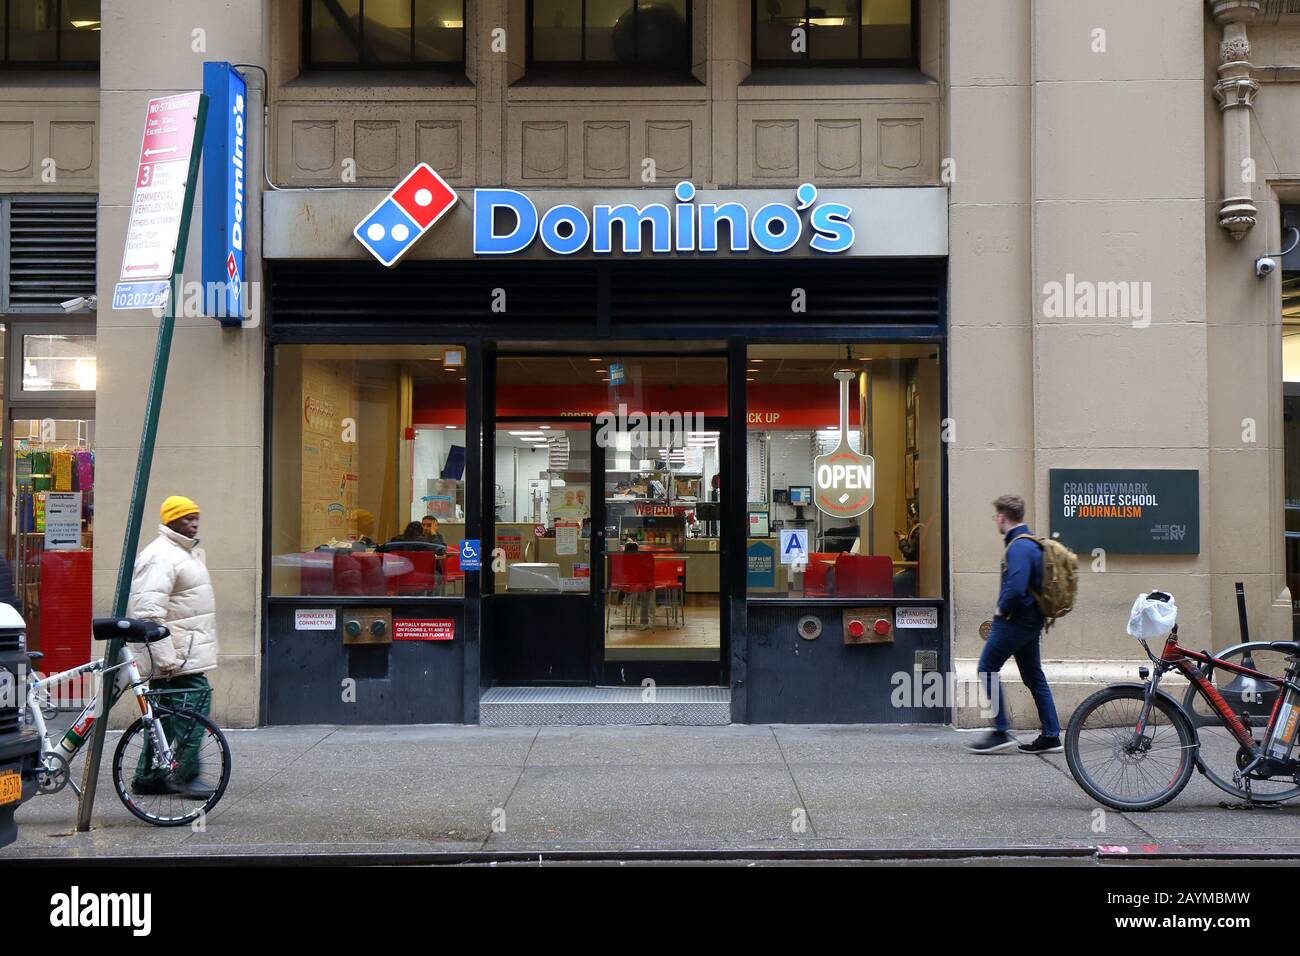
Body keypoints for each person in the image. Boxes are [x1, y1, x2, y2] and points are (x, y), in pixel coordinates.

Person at [127, 495, 218, 797]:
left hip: (181, 653)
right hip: (176, 657)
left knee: (163, 718)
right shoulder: (161, 556)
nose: (193, 524)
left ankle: (149, 777)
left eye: (195, 518)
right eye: (186, 519)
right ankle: (185, 774)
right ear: (171, 521)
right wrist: (164, 661)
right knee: (195, 707)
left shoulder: (180, 552)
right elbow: (148, 613)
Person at [966, 494, 1062, 755]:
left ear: (1002, 517)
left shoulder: (1018, 547)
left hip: (1014, 622)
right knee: (1034, 676)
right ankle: (1052, 735)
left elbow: (1017, 588)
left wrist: (1001, 609)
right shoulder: (1031, 543)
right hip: (1031, 622)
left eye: (995, 516)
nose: (995, 520)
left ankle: (999, 731)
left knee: (987, 668)